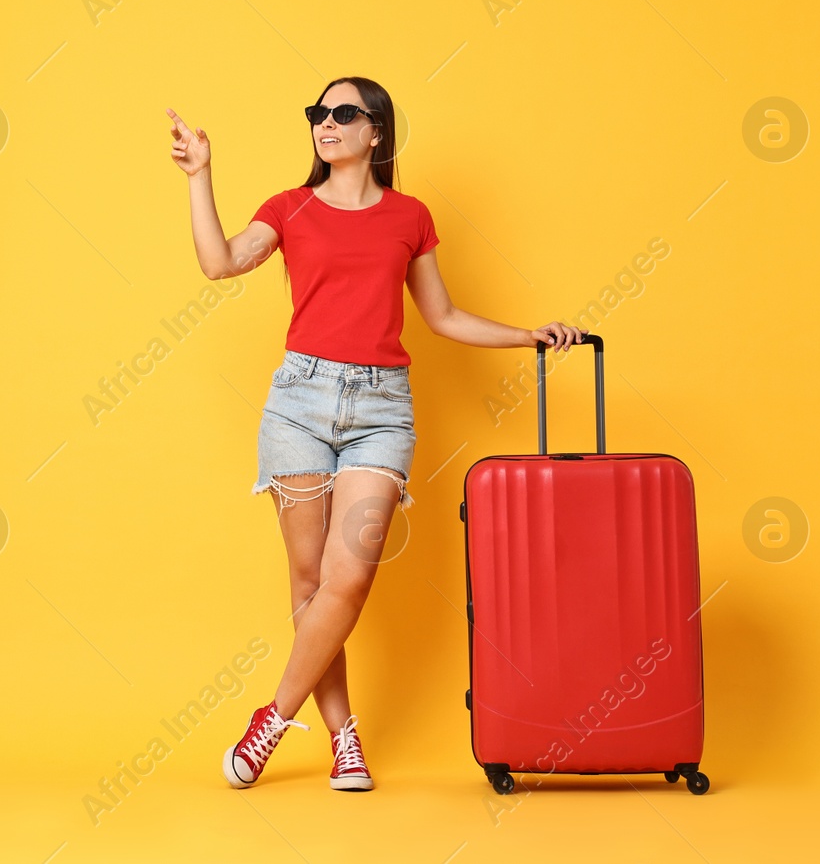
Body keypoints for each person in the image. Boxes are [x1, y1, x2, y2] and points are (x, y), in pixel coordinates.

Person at [166, 76, 583, 792]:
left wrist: (528, 337)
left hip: (380, 411)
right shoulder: (290, 207)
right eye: (317, 114)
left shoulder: (409, 216)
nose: (326, 124)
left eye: (343, 113)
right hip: (300, 400)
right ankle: (345, 740)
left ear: (376, 133)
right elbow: (220, 262)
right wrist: (202, 176)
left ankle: (272, 718)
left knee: (349, 575)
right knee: (309, 581)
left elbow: (443, 316)